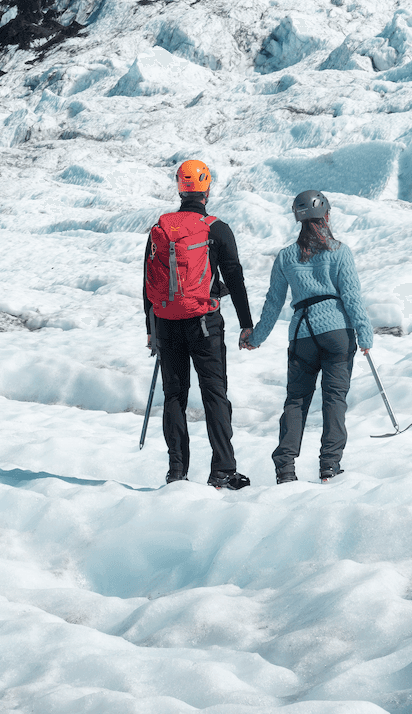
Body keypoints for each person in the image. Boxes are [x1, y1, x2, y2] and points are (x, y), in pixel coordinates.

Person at [240, 190, 373, 484]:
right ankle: (329, 468)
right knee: (334, 399)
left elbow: (273, 302)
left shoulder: (287, 256)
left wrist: (256, 337)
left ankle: (285, 469)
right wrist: (364, 334)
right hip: (337, 332)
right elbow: (351, 297)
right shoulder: (340, 251)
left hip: (302, 334)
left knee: (296, 401)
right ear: (326, 214)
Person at [144, 159, 254, 490]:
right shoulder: (216, 228)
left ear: (180, 187)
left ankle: (177, 471)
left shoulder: (161, 227)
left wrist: (150, 330)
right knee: (214, 394)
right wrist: (246, 324)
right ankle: (222, 471)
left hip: (165, 322)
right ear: (207, 188)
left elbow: (148, 280)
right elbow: (234, 276)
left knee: (174, 395)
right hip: (204, 323)